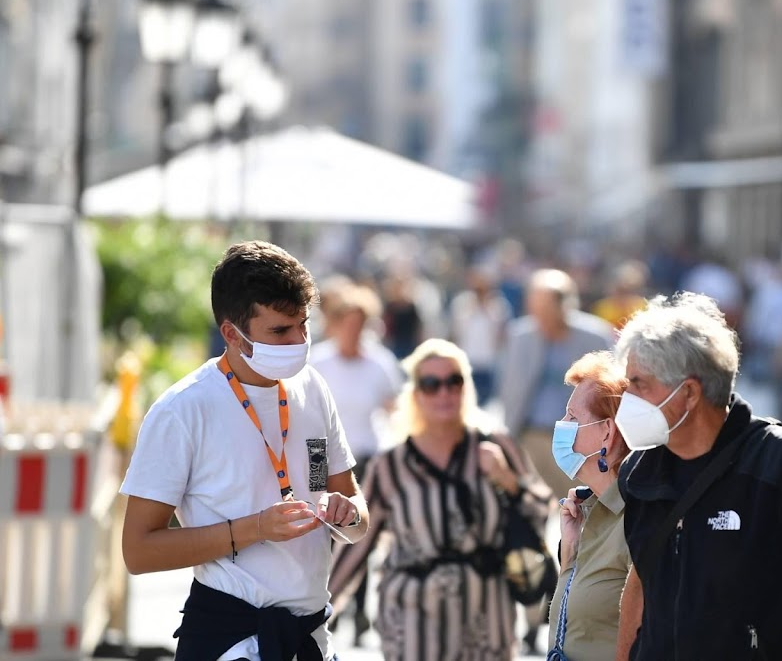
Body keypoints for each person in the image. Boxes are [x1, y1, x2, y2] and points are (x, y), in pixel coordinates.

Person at [120, 240, 369, 661]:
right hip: (230, 639)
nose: (299, 341)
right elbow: (138, 551)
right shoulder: (182, 409)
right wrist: (253, 529)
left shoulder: (313, 387)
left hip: (311, 636)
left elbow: (358, 518)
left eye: (303, 325)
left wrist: (349, 514)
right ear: (232, 334)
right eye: (280, 331)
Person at [615, 293, 782, 660]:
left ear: (688, 392)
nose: (627, 396)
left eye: (639, 384)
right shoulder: (640, 471)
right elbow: (640, 589)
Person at [327, 338, 551, 660]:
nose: (444, 392)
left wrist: (506, 479)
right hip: (412, 621)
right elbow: (359, 544)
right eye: (431, 384)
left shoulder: (496, 446)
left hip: (486, 618)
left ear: (466, 386)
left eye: (453, 381)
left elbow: (541, 510)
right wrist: (320, 611)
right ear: (415, 393)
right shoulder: (392, 464)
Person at [310, 277, 402, 647]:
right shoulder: (318, 361)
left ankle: (361, 611)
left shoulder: (380, 363)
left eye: (360, 324)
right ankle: (324, 602)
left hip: (364, 458)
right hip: (320, 455)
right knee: (322, 535)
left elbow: (397, 409)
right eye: (347, 322)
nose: (354, 330)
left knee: (361, 532)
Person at [498, 268, 615, 500]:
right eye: (535, 309)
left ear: (565, 305)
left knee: (581, 500)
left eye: (546, 309)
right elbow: (510, 387)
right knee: (534, 500)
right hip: (532, 435)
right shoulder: (520, 336)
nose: (540, 317)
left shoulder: (594, 336)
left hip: (579, 440)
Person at [547, 351, 632, 661]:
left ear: (607, 432)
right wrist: (569, 554)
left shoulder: (636, 520)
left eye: (572, 416)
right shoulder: (589, 510)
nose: (561, 424)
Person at [448, 264, 512, 406]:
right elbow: (457, 330)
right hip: (467, 359)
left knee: (486, 402)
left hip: (488, 362)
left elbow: (501, 334)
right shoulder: (462, 303)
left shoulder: (498, 305)